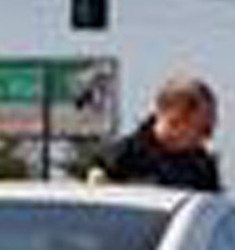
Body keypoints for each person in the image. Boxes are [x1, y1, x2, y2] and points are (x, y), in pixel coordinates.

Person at [92, 75, 222, 191]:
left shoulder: (201, 168)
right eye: (205, 129)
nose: (209, 138)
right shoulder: (117, 159)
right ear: (175, 121)